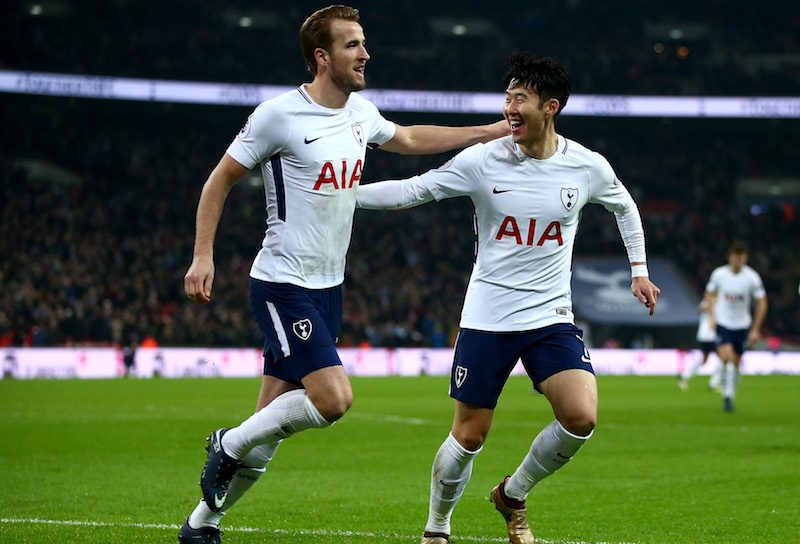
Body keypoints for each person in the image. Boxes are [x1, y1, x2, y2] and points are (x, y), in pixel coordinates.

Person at [177, 5, 508, 543]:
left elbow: (407, 139)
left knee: (269, 428)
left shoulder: (361, 113)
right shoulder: (278, 116)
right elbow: (219, 180)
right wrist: (202, 255)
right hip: (283, 282)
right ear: (322, 56)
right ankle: (227, 443)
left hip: (328, 288)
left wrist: (485, 132)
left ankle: (201, 524)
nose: (365, 54)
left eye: (364, 43)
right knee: (333, 400)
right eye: (353, 44)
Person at [356, 52, 660, 544]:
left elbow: (624, 206)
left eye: (521, 98)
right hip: (489, 316)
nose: (509, 109)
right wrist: (342, 197)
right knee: (470, 434)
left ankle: (512, 494)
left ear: (550, 107)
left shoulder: (586, 166)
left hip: (550, 315)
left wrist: (639, 271)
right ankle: (437, 528)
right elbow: (415, 190)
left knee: (581, 417)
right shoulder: (482, 160)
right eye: (508, 97)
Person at [703, 241, 767, 412]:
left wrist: (755, 329)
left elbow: (762, 303)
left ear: (745, 258)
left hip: (742, 325)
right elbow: (708, 294)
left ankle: (729, 391)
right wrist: (711, 316)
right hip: (723, 322)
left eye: (741, 258)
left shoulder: (752, 278)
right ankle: (727, 397)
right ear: (729, 257)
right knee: (727, 356)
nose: (738, 260)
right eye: (735, 257)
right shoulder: (719, 274)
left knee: (735, 363)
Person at [678, 300, 718, 391]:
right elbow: (700, 309)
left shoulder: (720, 301)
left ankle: (684, 376)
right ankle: (713, 384)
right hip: (708, 336)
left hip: (710, 336)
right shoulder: (708, 301)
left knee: (704, 360)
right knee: (723, 359)